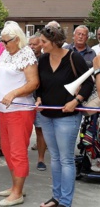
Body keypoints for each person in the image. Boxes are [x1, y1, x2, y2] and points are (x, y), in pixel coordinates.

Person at [36, 25, 93, 207]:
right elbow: (40, 85)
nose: (41, 44)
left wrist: (76, 101)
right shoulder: (43, 59)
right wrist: (38, 98)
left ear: (54, 42)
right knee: (55, 158)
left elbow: (88, 84)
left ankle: (65, 202)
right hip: (46, 115)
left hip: (68, 117)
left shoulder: (73, 57)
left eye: (44, 42)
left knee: (66, 159)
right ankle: (56, 197)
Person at [0, 22, 39, 207]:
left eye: (7, 42)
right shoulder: (6, 52)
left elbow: (33, 83)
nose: (4, 45)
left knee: (18, 151)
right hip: (3, 110)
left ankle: (18, 193)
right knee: (6, 149)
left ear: (17, 39)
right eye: (2, 41)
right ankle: (15, 186)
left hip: (20, 110)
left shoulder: (27, 54)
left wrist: (13, 93)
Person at [28, 34, 47, 171]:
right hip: (25, 100)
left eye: (35, 44)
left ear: (41, 45)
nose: (32, 47)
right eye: (30, 44)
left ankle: (41, 159)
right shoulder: (25, 59)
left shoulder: (45, 60)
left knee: (40, 130)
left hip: (40, 100)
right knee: (24, 130)